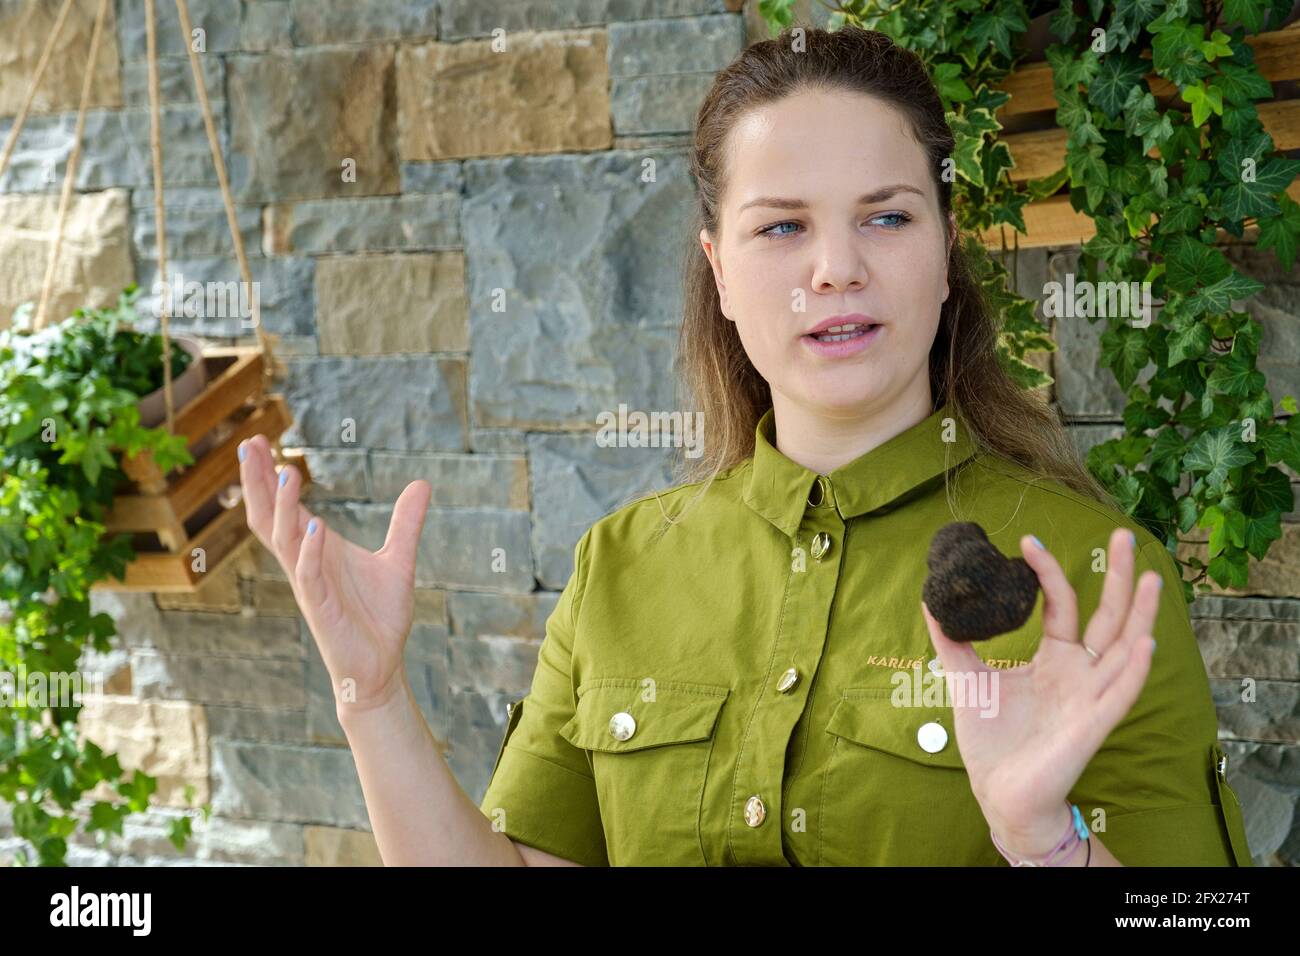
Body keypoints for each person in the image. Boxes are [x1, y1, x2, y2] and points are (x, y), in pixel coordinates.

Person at [236, 24, 1253, 866]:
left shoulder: (1089, 579)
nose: (837, 268)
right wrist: (369, 695)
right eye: (781, 229)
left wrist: (1046, 840)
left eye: (886, 217)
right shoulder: (619, 568)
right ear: (717, 271)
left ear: (945, 253)